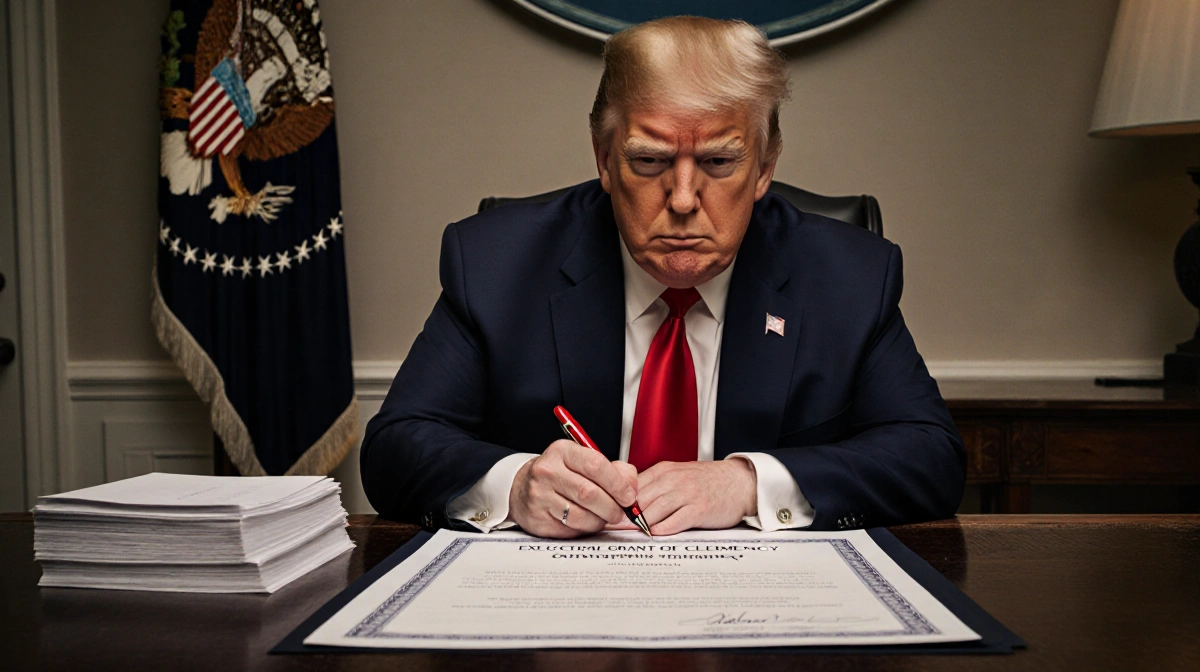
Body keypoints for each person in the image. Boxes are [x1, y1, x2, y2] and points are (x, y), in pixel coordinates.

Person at [361, 16, 965, 539]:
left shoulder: (850, 276)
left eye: (720, 162)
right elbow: (396, 448)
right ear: (604, 159)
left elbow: (930, 458)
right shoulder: (496, 263)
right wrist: (515, 485)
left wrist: (749, 483)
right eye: (648, 161)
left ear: (765, 167)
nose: (681, 199)